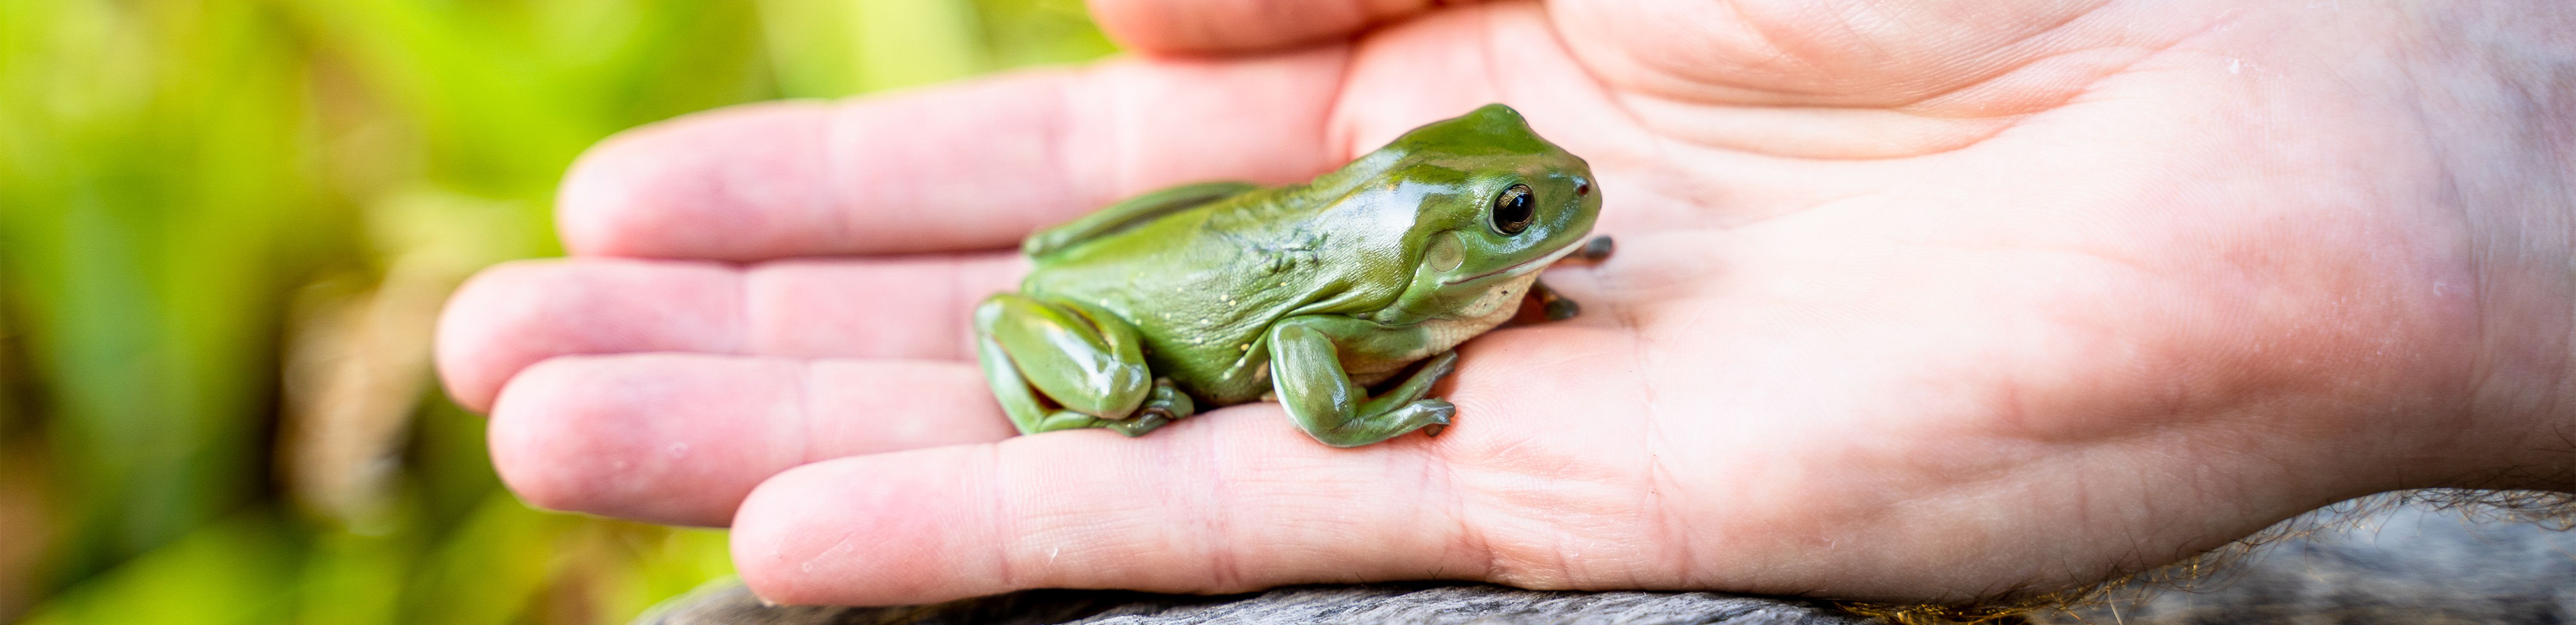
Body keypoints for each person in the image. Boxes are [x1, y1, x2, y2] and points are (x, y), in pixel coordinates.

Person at [431, 0, 2576, 607]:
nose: (1553, 223)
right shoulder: (1376, 290)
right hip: (1138, 314)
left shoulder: (1454, 233)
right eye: (1518, 219)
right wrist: (1375, 408)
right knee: (1101, 363)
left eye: (1530, 216)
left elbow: (1442, 239)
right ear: (1445, 239)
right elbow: (1288, 356)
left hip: (1300, 227)